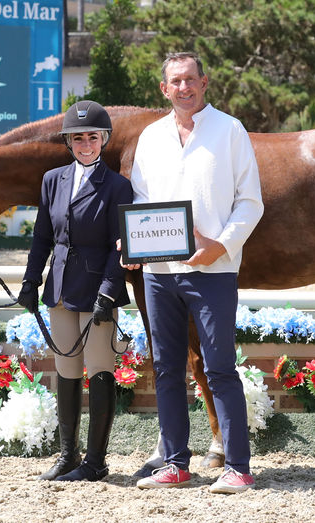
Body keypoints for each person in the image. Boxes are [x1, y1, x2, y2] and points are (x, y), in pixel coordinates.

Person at [127, 52, 264, 495]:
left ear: (205, 83)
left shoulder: (231, 130)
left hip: (214, 271)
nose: (183, 88)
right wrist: (131, 243)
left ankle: (238, 468)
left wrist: (220, 245)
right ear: (163, 89)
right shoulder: (150, 138)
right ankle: (176, 464)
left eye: (190, 80)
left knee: (220, 367)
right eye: (175, 82)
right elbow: (142, 202)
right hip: (158, 272)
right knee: (167, 368)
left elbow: (251, 201)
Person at [19, 100, 134, 482]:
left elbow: (121, 248)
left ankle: (96, 461)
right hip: (62, 288)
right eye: (78, 138)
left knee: (100, 370)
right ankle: (68, 454)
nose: (86, 144)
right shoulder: (53, 180)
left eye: (92, 137)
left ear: (103, 140)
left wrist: (107, 293)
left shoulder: (118, 186)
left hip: (98, 290)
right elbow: (42, 237)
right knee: (66, 370)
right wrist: (31, 280)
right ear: (69, 142)